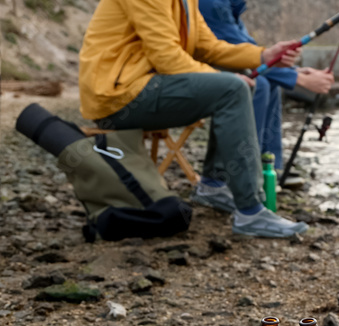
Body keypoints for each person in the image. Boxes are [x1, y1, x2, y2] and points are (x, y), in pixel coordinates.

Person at [79, 0, 309, 238]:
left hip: (144, 84)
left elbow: (209, 47)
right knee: (233, 88)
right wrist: (224, 79)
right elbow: (166, 56)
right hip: (117, 95)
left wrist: (263, 54)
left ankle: (214, 186)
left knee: (239, 86)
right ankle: (251, 211)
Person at [199, 0, 333, 188]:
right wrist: (296, 78)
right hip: (192, 75)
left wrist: (295, 71)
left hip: (211, 67)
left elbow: (247, 49)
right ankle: (236, 173)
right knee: (258, 84)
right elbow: (230, 50)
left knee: (268, 82)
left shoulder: (232, 6)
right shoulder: (210, 4)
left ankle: (266, 164)